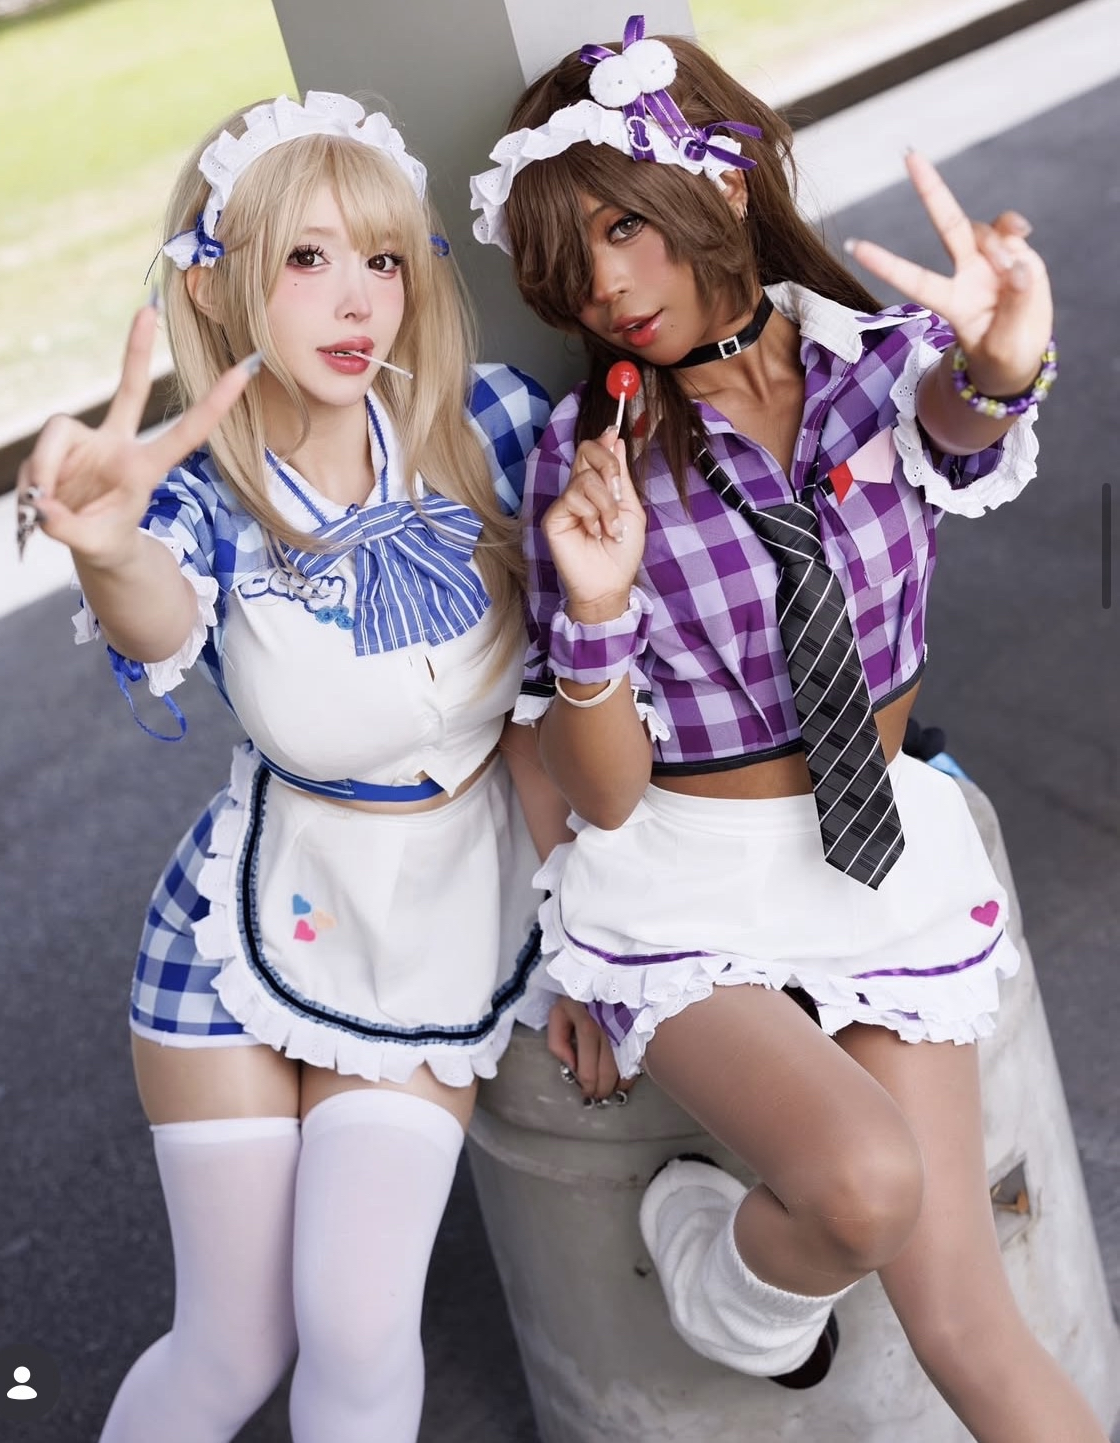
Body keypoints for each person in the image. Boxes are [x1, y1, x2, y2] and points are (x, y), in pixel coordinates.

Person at [469, 16, 1107, 1440]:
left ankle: (744, 1287)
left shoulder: (878, 368)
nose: (610, 285)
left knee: (968, 1322)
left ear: (729, 185)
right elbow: (606, 786)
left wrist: (1001, 358)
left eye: (628, 226)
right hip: (688, 863)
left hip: (877, 854)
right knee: (864, 1185)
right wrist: (595, 607)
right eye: (573, 262)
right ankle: (730, 1285)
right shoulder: (599, 473)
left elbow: (955, 420)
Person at [16, 91, 553, 1443]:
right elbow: (157, 609)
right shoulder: (199, 491)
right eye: (304, 259)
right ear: (225, 283)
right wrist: (105, 543)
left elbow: (573, 678)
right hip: (236, 931)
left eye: (380, 256)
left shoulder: (486, 421)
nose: (353, 298)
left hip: (435, 917)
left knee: (362, 1323)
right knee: (231, 1345)